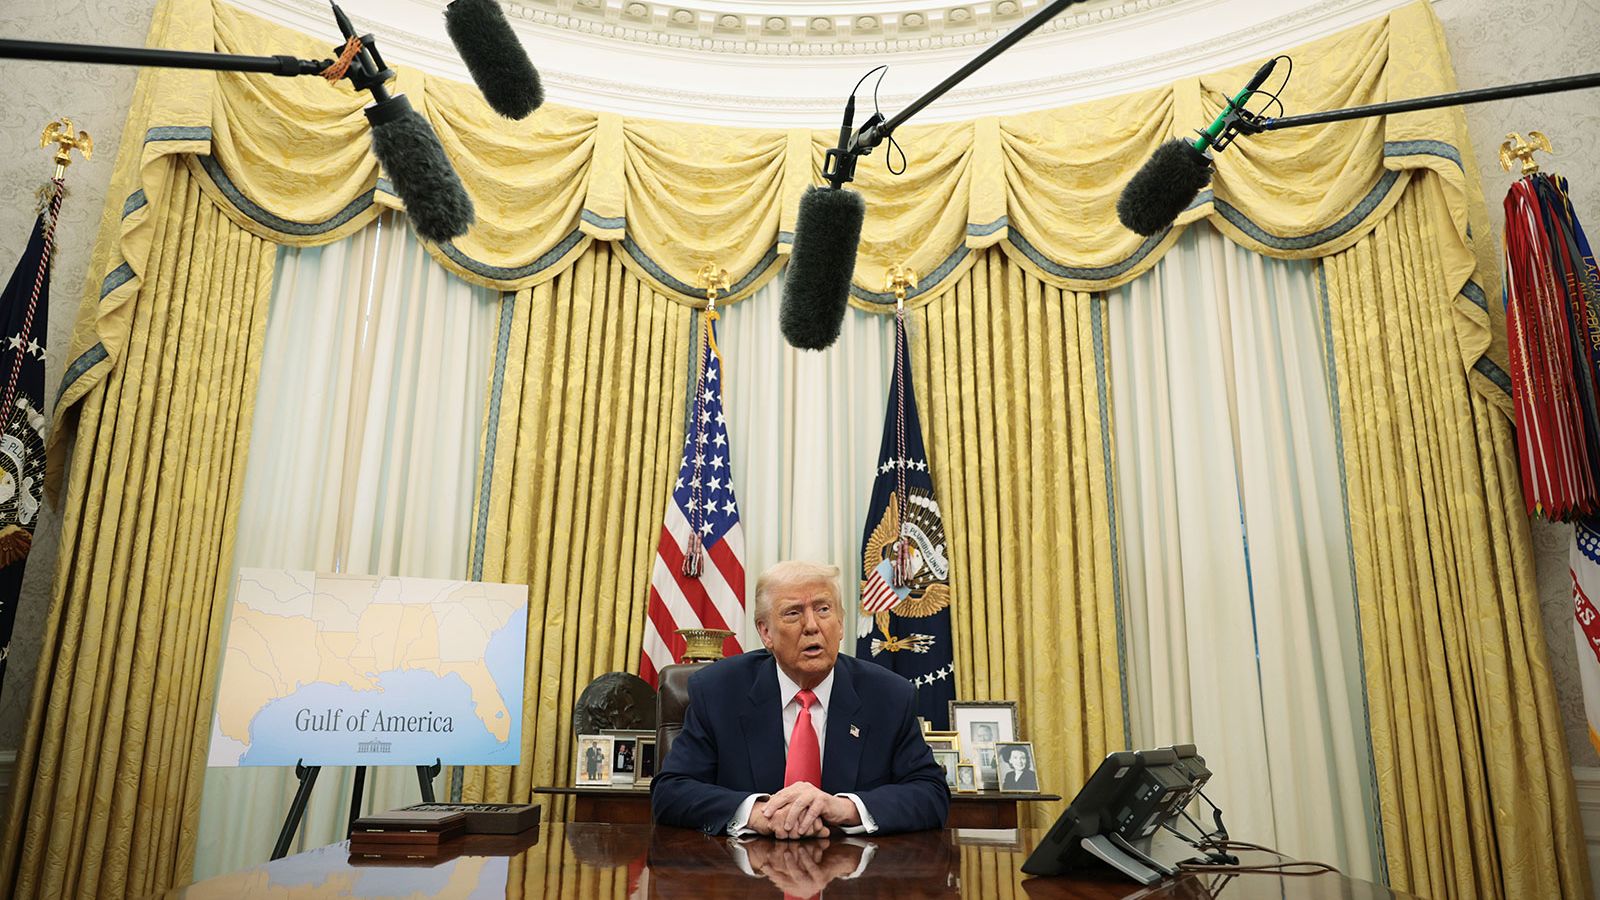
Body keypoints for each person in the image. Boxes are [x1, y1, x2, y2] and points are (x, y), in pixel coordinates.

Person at [652, 560, 950, 838]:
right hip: (746, 877)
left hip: (854, 877)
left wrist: (845, 808)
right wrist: (756, 813)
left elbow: (930, 793)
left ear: (842, 623)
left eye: (823, 609)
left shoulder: (888, 695)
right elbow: (670, 792)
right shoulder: (718, 691)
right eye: (793, 612)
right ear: (766, 632)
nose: (812, 625)